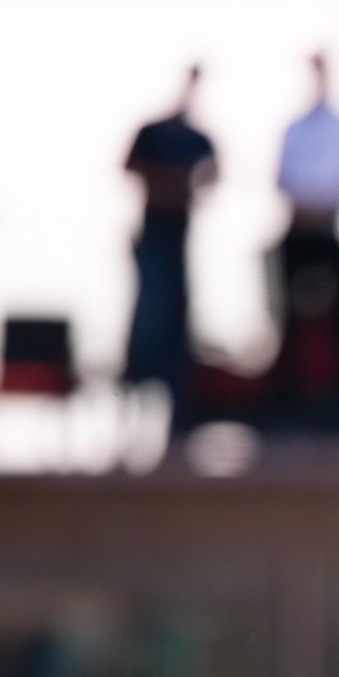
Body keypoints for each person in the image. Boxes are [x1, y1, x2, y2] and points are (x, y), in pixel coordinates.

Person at [121, 65, 217, 424]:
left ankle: (177, 403)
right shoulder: (153, 132)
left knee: (175, 314)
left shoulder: (197, 138)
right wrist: (170, 181)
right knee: (148, 314)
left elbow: (214, 175)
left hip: (179, 235)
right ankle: (135, 389)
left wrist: (188, 185)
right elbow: (128, 165)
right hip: (152, 233)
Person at [272, 53, 339, 414]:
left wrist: (320, 208)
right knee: (290, 316)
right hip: (299, 232)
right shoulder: (295, 128)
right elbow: (281, 179)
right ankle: (289, 392)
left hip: (327, 232)